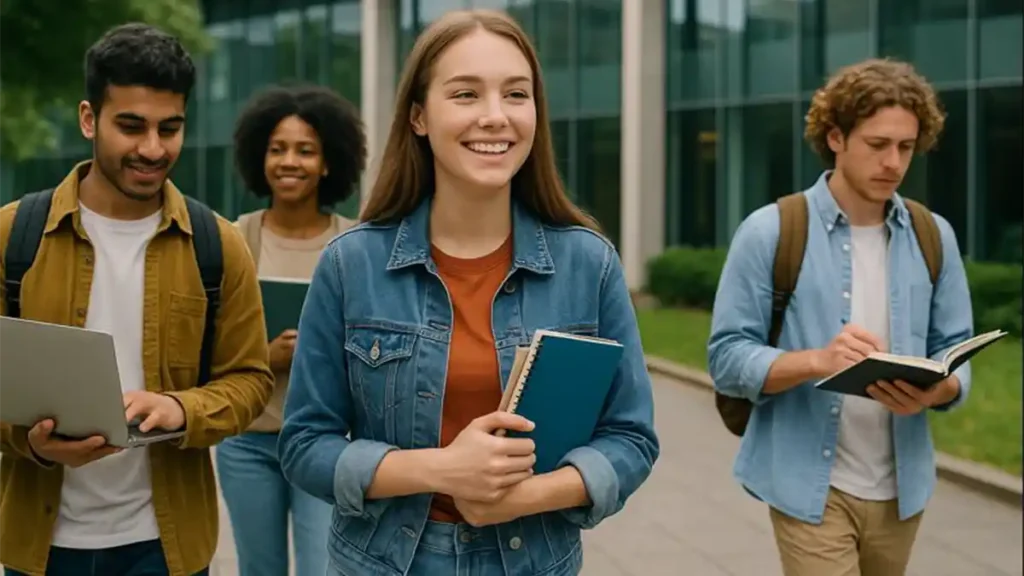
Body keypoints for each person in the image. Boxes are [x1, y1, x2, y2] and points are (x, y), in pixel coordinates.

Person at [277, 9, 659, 576]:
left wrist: (524, 496)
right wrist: (441, 470)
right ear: (418, 117)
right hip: (382, 563)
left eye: (516, 94)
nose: (495, 117)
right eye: (465, 94)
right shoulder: (350, 264)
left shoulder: (590, 264)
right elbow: (306, 445)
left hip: (532, 561)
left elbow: (630, 438)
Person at [0, 24, 273, 576]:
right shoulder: (11, 236)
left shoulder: (219, 246)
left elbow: (251, 380)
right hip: (40, 545)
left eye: (169, 129)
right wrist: (31, 443)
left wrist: (180, 409)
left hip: (166, 547)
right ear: (87, 119)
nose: (152, 148)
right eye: (131, 126)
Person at [707, 58, 973, 576]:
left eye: (905, 148)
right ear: (835, 137)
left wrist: (938, 389)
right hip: (810, 485)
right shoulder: (770, 231)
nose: (893, 163)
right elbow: (726, 357)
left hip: (902, 487)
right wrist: (816, 361)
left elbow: (957, 344)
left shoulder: (933, 235)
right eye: (877, 145)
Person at [214, 84, 365, 576]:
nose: (289, 161)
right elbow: (205, 347)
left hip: (326, 440)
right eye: (277, 149)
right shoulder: (236, 239)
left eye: (305, 150)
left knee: (324, 567)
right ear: (260, 158)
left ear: (327, 163)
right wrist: (266, 356)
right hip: (249, 442)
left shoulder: (354, 244)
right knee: (260, 568)